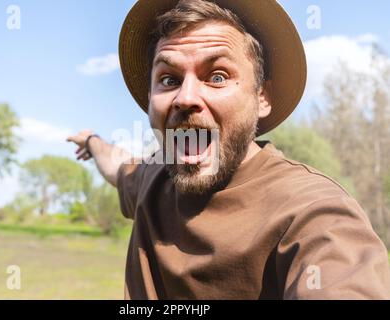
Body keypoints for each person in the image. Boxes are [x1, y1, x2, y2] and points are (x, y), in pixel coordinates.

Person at [67, 0, 390, 299]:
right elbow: (118, 165)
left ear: (261, 97)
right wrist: (93, 143)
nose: (185, 98)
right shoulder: (153, 179)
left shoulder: (313, 211)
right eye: (168, 79)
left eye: (217, 76)